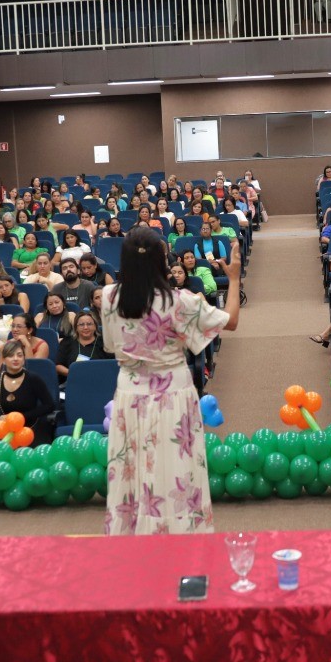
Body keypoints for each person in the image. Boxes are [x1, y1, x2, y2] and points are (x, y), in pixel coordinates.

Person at [100, 227, 240, 535]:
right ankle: (180, 538)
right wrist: (233, 278)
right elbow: (230, 320)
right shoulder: (180, 301)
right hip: (173, 394)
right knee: (176, 468)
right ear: (162, 261)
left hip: (129, 393)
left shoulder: (109, 298)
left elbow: (111, 345)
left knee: (132, 467)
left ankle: (132, 537)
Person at [57, 312, 111, 378]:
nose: (85, 327)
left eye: (89, 324)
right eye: (81, 324)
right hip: (74, 380)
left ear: (95, 326)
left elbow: (113, 365)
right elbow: (58, 365)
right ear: (76, 328)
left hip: (101, 379)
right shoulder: (67, 342)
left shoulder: (105, 342)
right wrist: (73, 374)